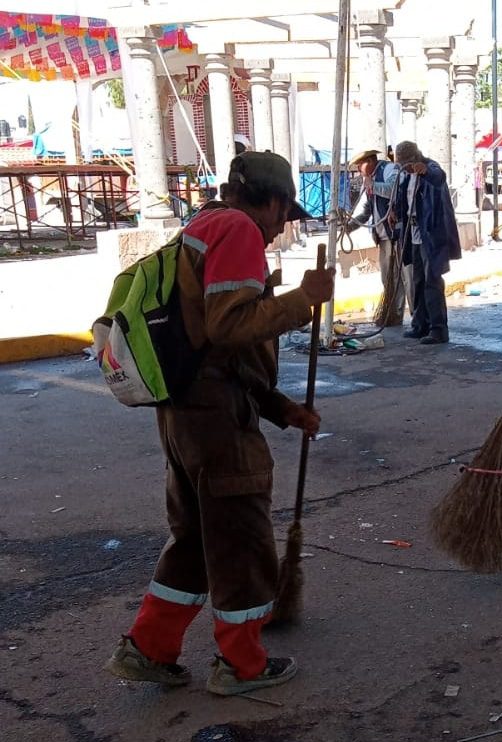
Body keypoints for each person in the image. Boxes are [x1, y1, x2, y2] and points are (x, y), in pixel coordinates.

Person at [104, 151, 335, 695]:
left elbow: (217, 344)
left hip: (184, 411)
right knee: (240, 538)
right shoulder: (238, 230)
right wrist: (305, 299)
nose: (283, 228)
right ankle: (241, 664)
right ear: (274, 202)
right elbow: (230, 327)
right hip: (215, 418)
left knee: (194, 538)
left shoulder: (203, 224)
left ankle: (147, 649)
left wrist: (280, 409)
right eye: (286, 215)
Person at [391, 140, 461, 345]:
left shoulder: (430, 168)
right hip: (413, 232)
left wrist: (425, 171)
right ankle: (420, 324)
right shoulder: (407, 178)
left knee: (432, 281)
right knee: (418, 280)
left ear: (413, 159)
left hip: (431, 235)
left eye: (404, 164)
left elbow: (439, 177)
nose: (402, 168)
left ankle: (439, 329)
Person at [345, 148, 405, 325]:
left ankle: (401, 314)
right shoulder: (369, 181)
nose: (358, 170)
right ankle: (392, 314)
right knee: (387, 277)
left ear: (370, 162)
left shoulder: (388, 169)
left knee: (401, 277)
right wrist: (350, 227)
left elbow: (394, 190)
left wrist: (373, 186)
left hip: (396, 233)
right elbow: (366, 211)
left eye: (359, 165)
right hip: (383, 235)